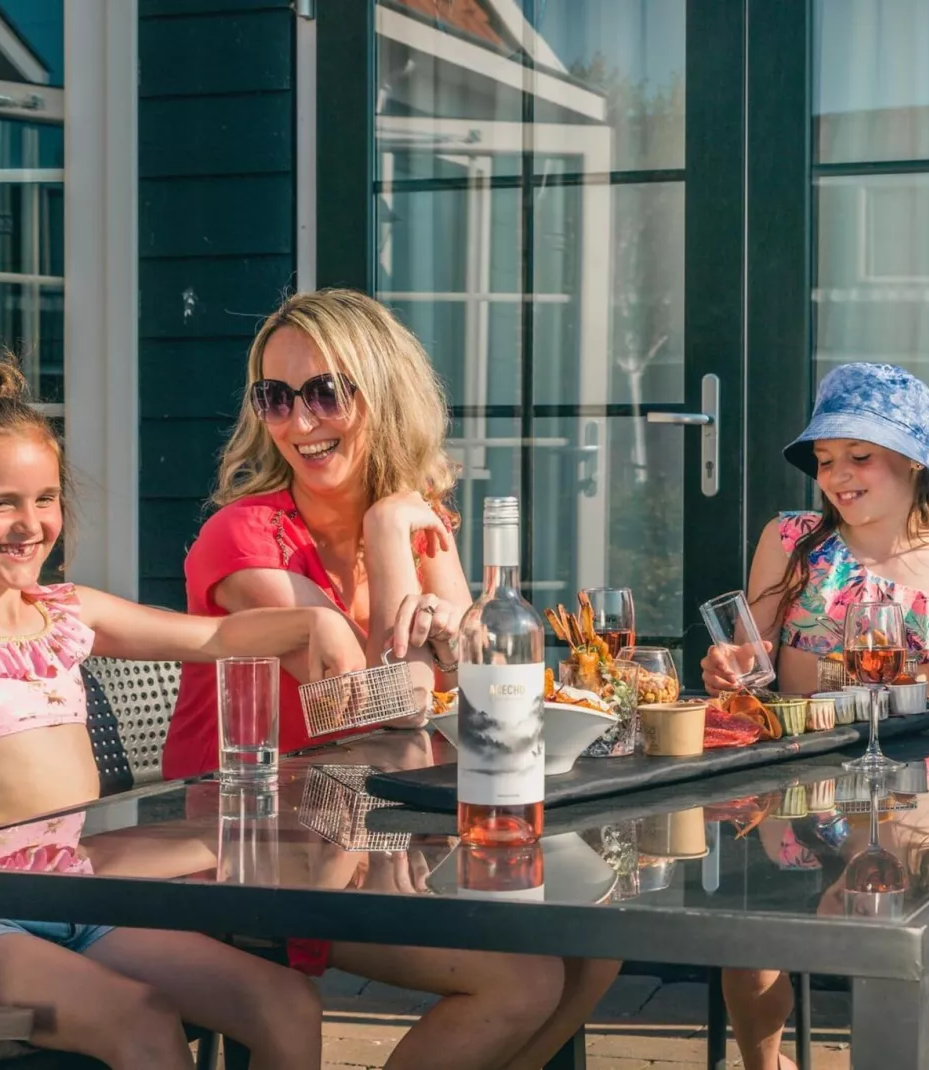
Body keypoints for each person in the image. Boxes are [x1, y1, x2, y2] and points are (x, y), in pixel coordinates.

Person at [0, 350, 370, 1069]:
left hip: (84, 900)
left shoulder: (68, 613)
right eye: (1, 502)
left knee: (285, 1001)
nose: (29, 523)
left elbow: (217, 636)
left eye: (44, 499)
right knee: (140, 1020)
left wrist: (321, 625)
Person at [161, 288, 619, 1070]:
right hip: (250, 845)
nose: (299, 422)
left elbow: (476, 684)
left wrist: (441, 625)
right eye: (275, 398)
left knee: (595, 945)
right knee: (519, 982)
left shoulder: (418, 516)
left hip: (372, 826)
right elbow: (380, 705)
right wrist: (386, 533)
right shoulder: (244, 537)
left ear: (383, 392)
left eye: (325, 392)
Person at [698, 362, 929, 1070]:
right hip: (795, 781)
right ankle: (765, 1063)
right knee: (753, 935)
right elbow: (750, 663)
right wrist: (729, 668)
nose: (838, 475)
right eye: (824, 460)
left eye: (859, 456)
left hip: (912, 785)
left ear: (912, 460)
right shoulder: (791, 542)